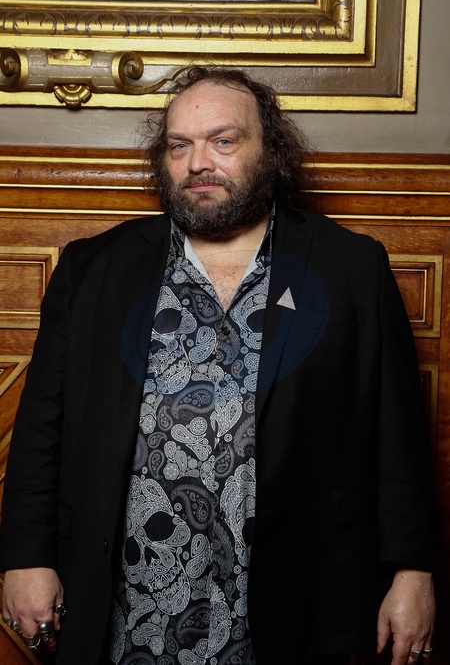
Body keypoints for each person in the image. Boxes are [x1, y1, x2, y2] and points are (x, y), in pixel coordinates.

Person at [0, 65, 436, 665]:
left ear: (272, 152)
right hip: (133, 607)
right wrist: (26, 556)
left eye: (223, 141)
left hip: (303, 600)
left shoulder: (352, 266)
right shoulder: (93, 269)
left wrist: (413, 570)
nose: (197, 163)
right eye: (179, 146)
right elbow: (40, 430)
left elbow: (399, 436)